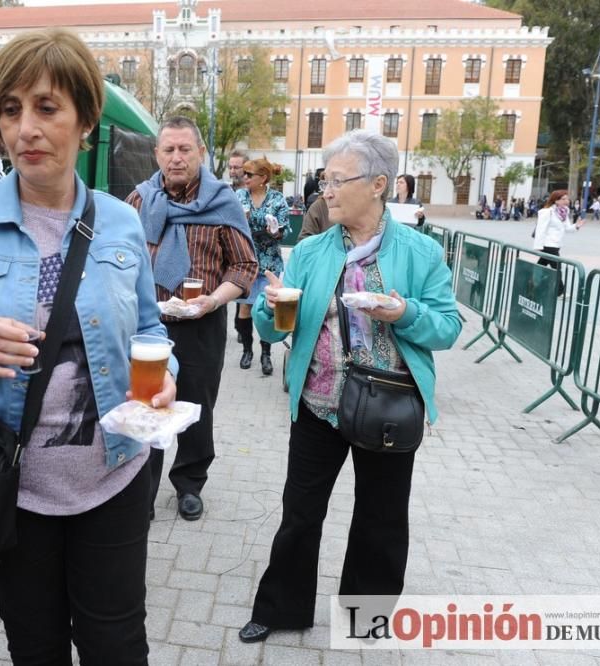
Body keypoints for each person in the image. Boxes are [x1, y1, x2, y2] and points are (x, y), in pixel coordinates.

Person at [0, 29, 177, 664]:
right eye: (11, 110)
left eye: (47, 108)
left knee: (117, 642)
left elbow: (151, 330)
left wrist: (166, 376)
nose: (26, 129)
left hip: (115, 472)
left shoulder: (121, 220)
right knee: (36, 644)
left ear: (84, 121)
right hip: (10, 483)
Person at [237, 129, 461, 644]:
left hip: (388, 407)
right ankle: (281, 608)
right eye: (324, 180)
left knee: (381, 521)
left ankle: (366, 618)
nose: (326, 192)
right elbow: (275, 329)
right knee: (299, 514)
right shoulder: (312, 251)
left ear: (379, 184)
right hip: (319, 405)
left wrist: (404, 312)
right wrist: (271, 312)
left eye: (338, 181)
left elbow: (447, 327)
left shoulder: (421, 252)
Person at [125, 117, 258, 521]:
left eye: (185, 149)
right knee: (147, 407)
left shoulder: (222, 202)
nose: (177, 158)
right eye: (169, 150)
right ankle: (141, 493)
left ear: (201, 153)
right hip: (148, 326)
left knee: (197, 408)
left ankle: (189, 483)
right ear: (157, 154)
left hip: (202, 324)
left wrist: (213, 301)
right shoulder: (139, 199)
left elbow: (244, 266)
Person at [234, 157, 290, 376]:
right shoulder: (239, 196)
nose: (244, 177)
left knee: (267, 308)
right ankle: (247, 350)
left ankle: (265, 354)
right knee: (245, 307)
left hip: (268, 261)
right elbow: (228, 224)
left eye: (249, 174)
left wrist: (276, 231)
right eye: (244, 174)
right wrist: (241, 219)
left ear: (263, 178)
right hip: (246, 260)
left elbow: (285, 230)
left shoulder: (277, 199)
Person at [533, 189, 584, 296]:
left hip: (556, 244)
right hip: (548, 245)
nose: (567, 201)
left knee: (541, 265)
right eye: (563, 199)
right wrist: (538, 246)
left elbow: (567, 228)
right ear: (556, 201)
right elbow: (540, 229)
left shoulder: (564, 212)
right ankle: (560, 292)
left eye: (567, 198)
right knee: (557, 268)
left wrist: (577, 226)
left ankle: (531, 284)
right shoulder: (547, 212)